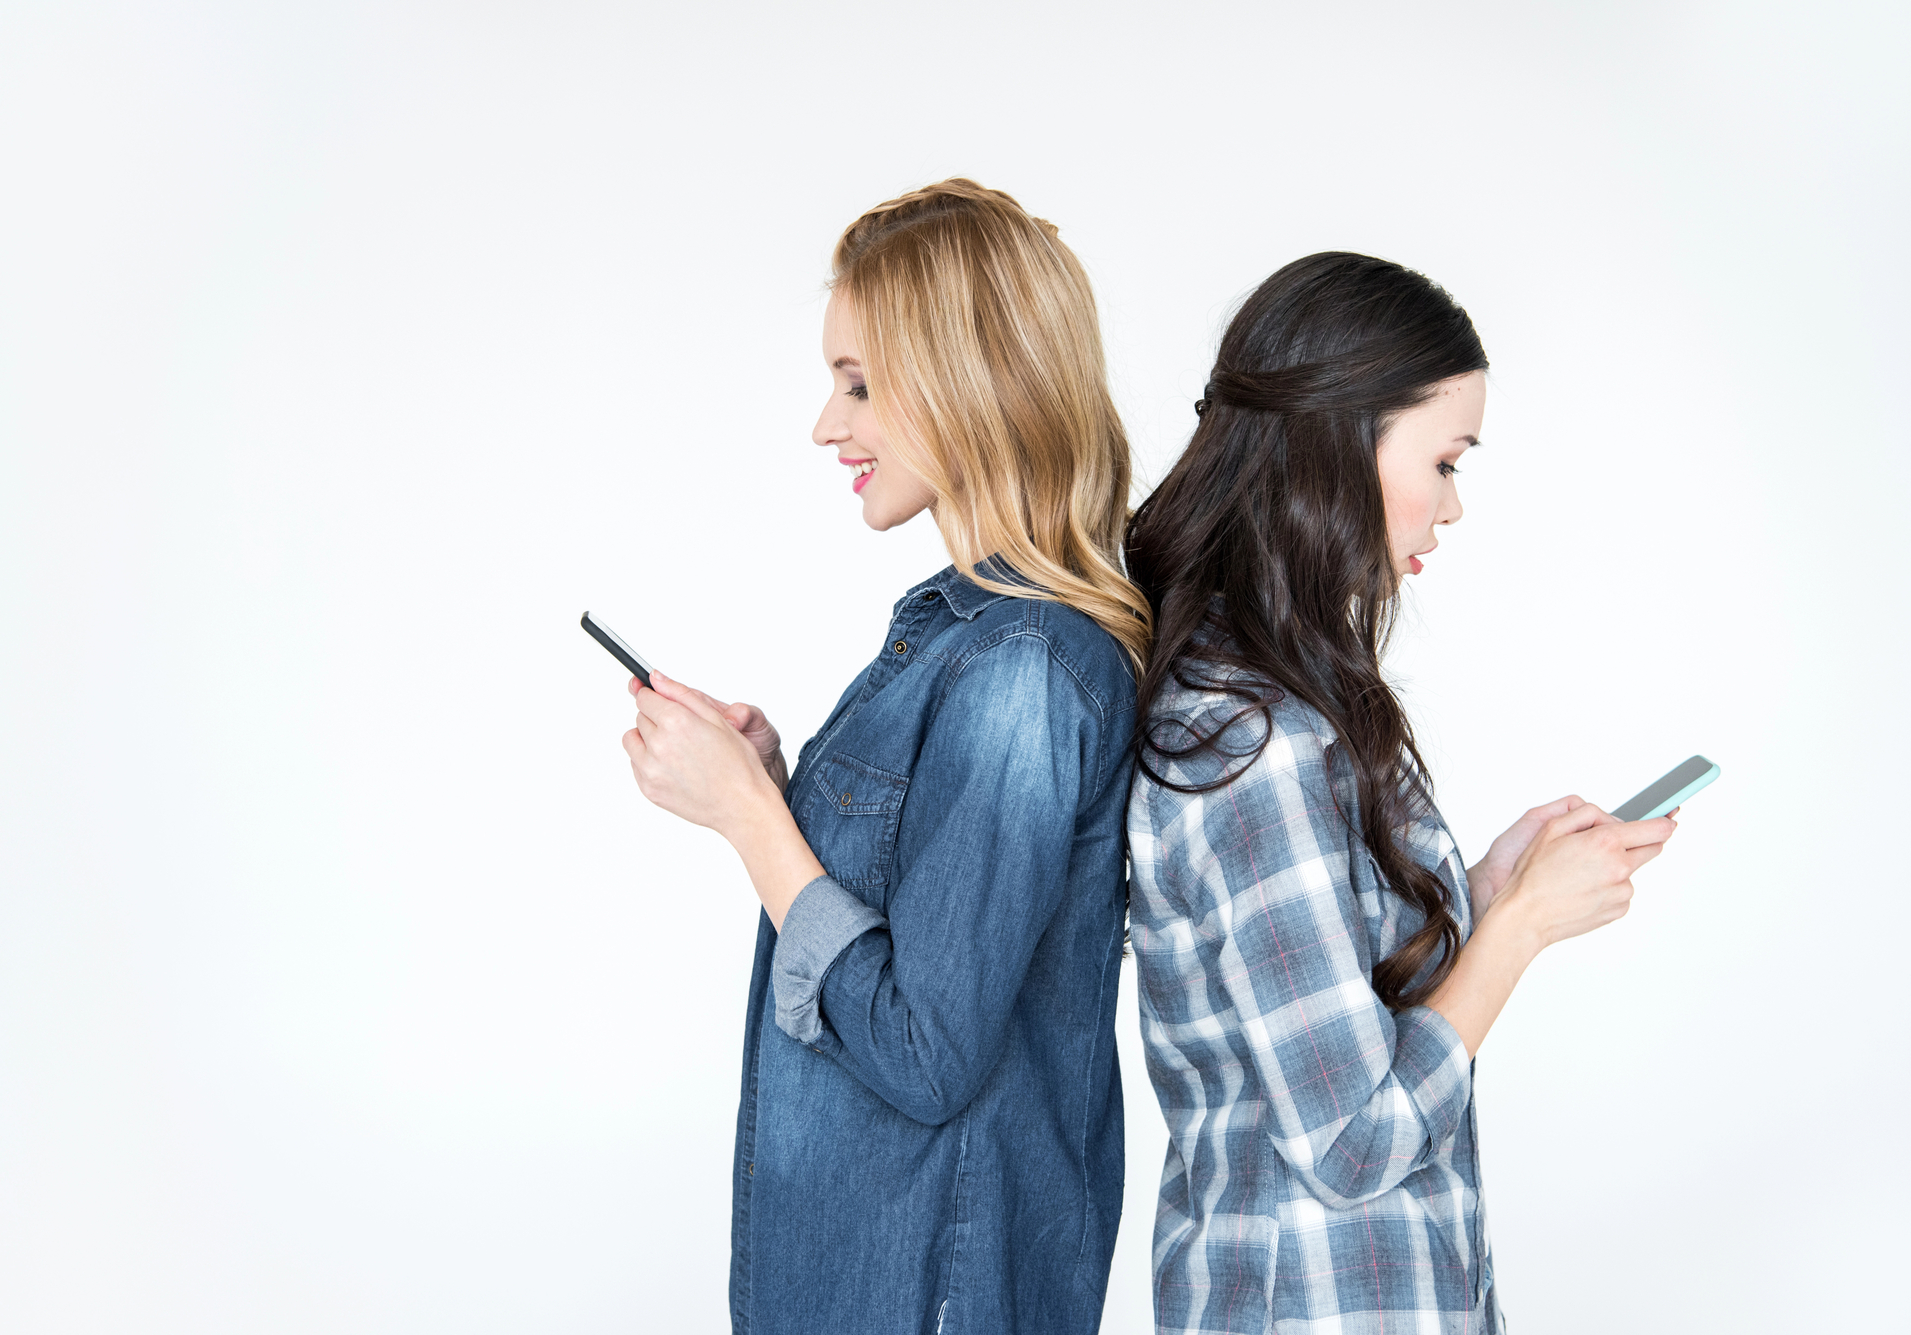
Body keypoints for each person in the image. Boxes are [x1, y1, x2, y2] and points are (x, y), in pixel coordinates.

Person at [620, 180, 1149, 1335]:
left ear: (968, 376)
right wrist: (769, 786)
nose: (826, 425)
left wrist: (748, 825)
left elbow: (924, 1051)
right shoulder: (959, 635)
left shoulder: (1020, 668)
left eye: (857, 384)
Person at [1122, 252, 1680, 1334]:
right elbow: (1349, 1142)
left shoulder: (1271, 698)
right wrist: (1513, 932)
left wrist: (1480, 886)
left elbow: (1327, 988)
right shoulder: (1253, 741)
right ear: (1341, 442)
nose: (1452, 505)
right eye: (1444, 459)